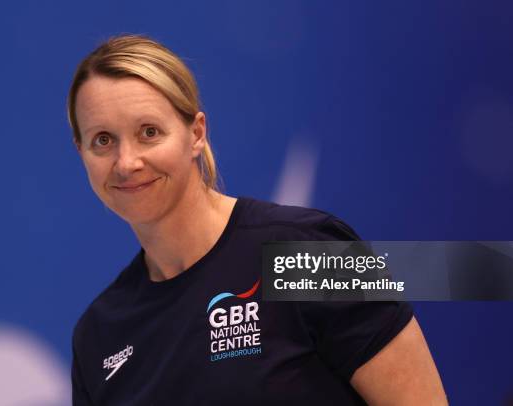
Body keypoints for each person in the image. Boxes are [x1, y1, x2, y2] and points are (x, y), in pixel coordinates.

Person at [67, 34, 447, 405]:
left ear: (196, 133)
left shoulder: (304, 250)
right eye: (103, 140)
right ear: (80, 151)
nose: (127, 162)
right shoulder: (100, 334)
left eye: (149, 132)